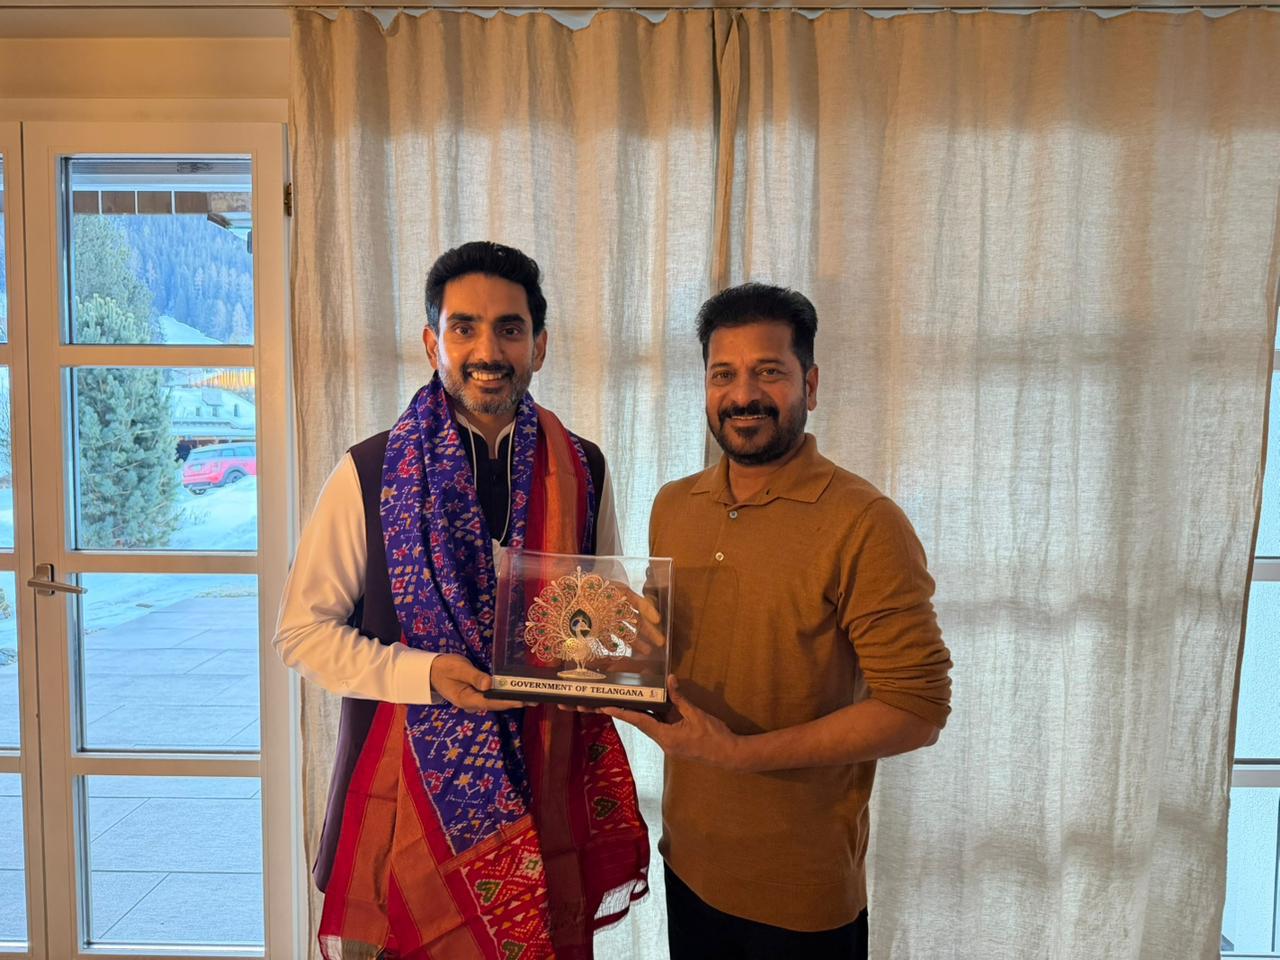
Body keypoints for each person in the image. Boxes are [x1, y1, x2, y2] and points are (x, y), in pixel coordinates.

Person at [274, 241, 649, 960]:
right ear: (432, 344)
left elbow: (602, 610)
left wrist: (628, 651)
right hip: (400, 807)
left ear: (540, 345)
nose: (488, 350)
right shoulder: (369, 470)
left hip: (544, 795)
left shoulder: (584, 467)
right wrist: (424, 674)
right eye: (464, 328)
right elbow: (302, 633)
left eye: (510, 329)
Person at [607, 283, 954, 960]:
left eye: (768, 371)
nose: (743, 396)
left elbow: (917, 710)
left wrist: (739, 754)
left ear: (810, 385)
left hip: (801, 891)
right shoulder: (675, 505)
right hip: (687, 858)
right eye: (723, 375)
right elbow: (664, 648)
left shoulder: (865, 522)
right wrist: (597, 656)